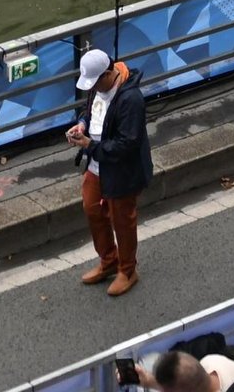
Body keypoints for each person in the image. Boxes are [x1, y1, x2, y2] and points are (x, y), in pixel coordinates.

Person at [74, 52, 151, 293]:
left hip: (121, 170)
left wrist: (90, 145)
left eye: (96, 82)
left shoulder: (131, 100)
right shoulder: (98, 88)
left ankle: (127, 270)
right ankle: (109, 261)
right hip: (98, 163)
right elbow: (90, 112)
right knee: (92, 207)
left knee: (122, 221)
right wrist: (82, 124)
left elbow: (127, 144)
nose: (93, 88)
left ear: (108, 74)